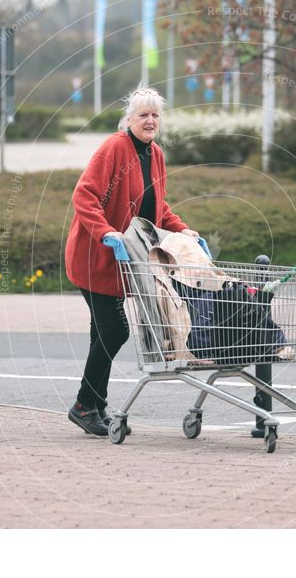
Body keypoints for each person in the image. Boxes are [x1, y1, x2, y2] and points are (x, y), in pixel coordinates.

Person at [64, 85, 199, 436]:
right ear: (129, 119)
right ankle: (83, 405)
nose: (150, 120)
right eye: (143, 115)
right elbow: (85, 195)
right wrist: (106, 232)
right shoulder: (114, 148)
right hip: (94, 257)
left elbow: (157, 208)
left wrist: (182, 230)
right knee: (115, 330)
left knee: (102, 333)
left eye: (155, 115)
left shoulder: (154, 154)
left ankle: (94, 406)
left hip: (124, 261)